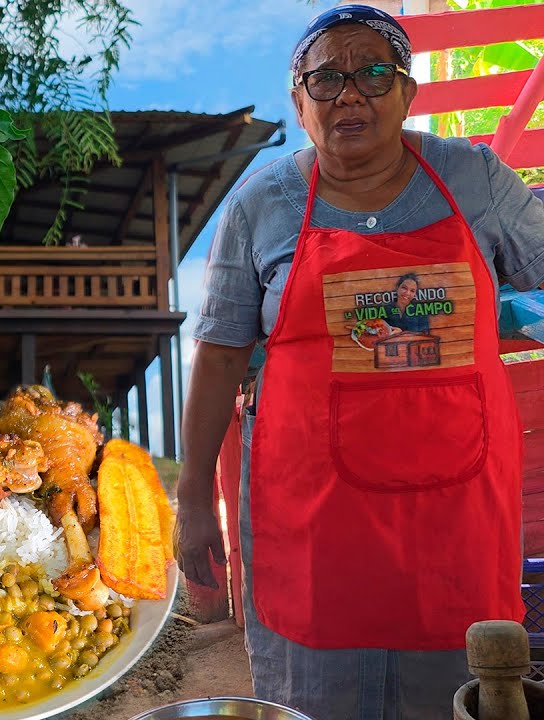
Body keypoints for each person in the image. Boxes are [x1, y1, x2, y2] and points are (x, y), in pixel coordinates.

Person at [175, 5, 544, 718]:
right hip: (315, 529)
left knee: (461, 689)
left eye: (374, 73)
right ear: (299, 102)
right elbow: (220, 357)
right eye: (327, 78)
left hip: (456, 521)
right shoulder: (263, 204)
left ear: (408, 93)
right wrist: (193, 501)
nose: (350, 94)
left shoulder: (475, 180)